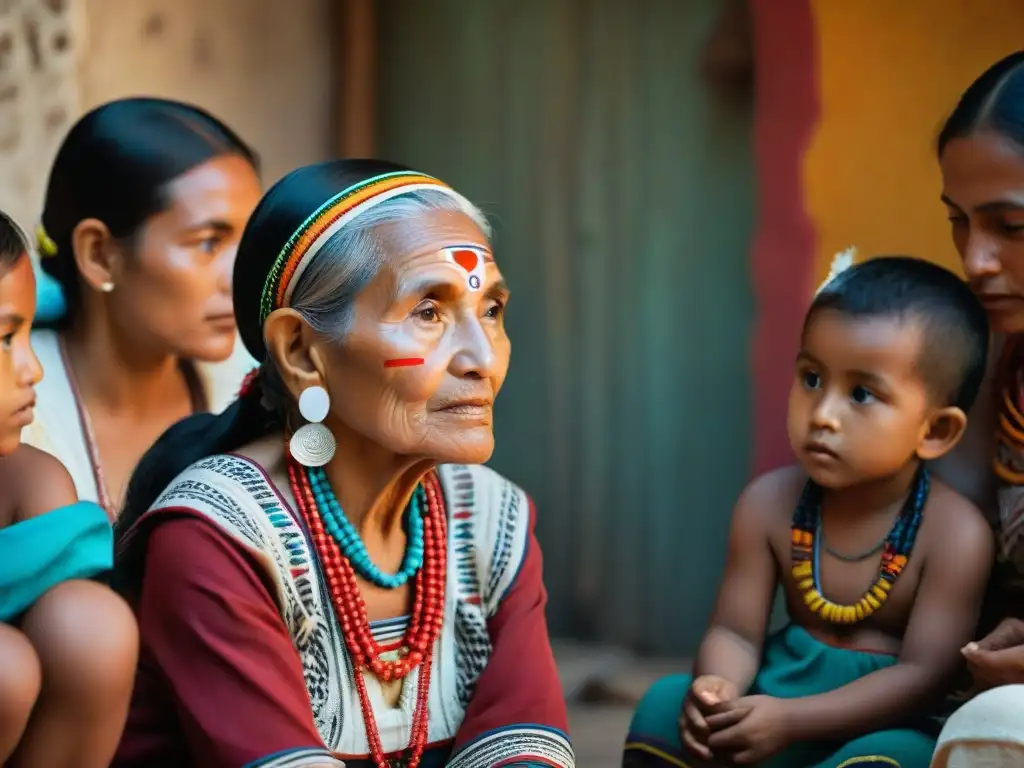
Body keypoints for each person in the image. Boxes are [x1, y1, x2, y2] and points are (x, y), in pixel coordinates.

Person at [110, 159, 574, 768]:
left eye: (491, 310)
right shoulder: (215, 540)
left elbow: (523, 748)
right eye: (428, 312)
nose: (482, 357)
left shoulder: (490, 519)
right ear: (302, 352)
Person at [624, 256, 995, 767]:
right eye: (812, 378)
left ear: (935, 431)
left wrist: (794, 721)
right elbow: (734, 631)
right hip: (770, 699)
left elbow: (922, 676)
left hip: (875, 725)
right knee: (664, 705)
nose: (823, 415)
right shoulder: (769, 503)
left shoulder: (955, 535)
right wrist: (718, 688)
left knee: (895, 759)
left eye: (862, 394)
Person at [23, 97, 262, 519]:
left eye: (249, 240)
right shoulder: (19, 403)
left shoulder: (257, 387)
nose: (242, 276)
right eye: (209, 242)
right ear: (98, 255)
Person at [0, 211, 138, 767]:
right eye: (4, 339)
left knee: (92, 625)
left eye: (28, 335)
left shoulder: (29, 485)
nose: (32, 368)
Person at [929, 50, 1024, 767]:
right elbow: (953, 520)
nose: (976, 259)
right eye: (960, 222)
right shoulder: (1007, 358)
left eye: (1009, 228)